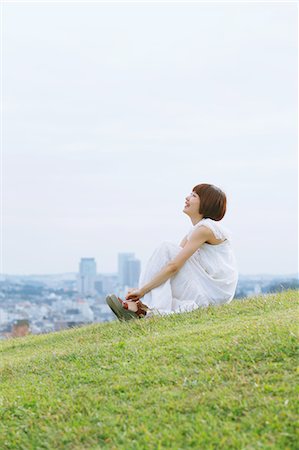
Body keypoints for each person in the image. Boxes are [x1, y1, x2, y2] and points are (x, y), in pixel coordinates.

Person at [106, 183, 238, 320]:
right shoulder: (194, 232)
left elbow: (173, 266)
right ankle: (145, 311)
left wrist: (142, 290)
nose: (187, 198)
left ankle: (142, 307)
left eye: (193, 196)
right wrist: (143, 289)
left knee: (166, 248)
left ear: (206, 203)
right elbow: (170, 264)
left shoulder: (205, 229)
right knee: (167, 263)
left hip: (214, 292)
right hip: (208, 290)